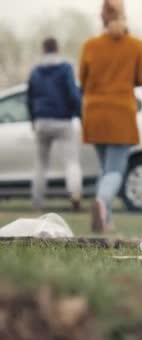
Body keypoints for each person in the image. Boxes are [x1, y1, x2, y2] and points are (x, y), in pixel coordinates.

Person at [80, 0, 142, 232]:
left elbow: (82, 79)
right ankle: (102, 201)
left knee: (105, 169)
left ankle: (106, 221)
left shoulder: (90, 45)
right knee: (115, 170)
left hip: (94, 113)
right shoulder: (136, 45)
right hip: (121, 113)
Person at [26, 37, 83, 212]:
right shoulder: (65, 68)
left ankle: (37, 201)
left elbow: (29, 98)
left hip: (42, 121)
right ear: (57, 49)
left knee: (41, 163)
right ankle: (74, 195)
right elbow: (73, 94)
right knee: (71, 162)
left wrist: (33, 119)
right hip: (62, 120)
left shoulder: (35, 71)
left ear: (43, 50)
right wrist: (78, 113)